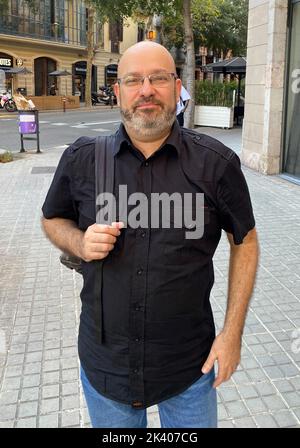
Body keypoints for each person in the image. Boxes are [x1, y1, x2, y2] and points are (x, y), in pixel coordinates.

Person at [41, 41, 259, 428]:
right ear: (118, 91)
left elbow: (246, 241)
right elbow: (52, 218)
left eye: (158, 78)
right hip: (106, 367)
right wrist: (79, 242)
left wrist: (232, 334)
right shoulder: (83, 158)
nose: (146, 90)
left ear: (177, 88)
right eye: (133, 80)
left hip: (189, 368)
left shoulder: (216, 164)